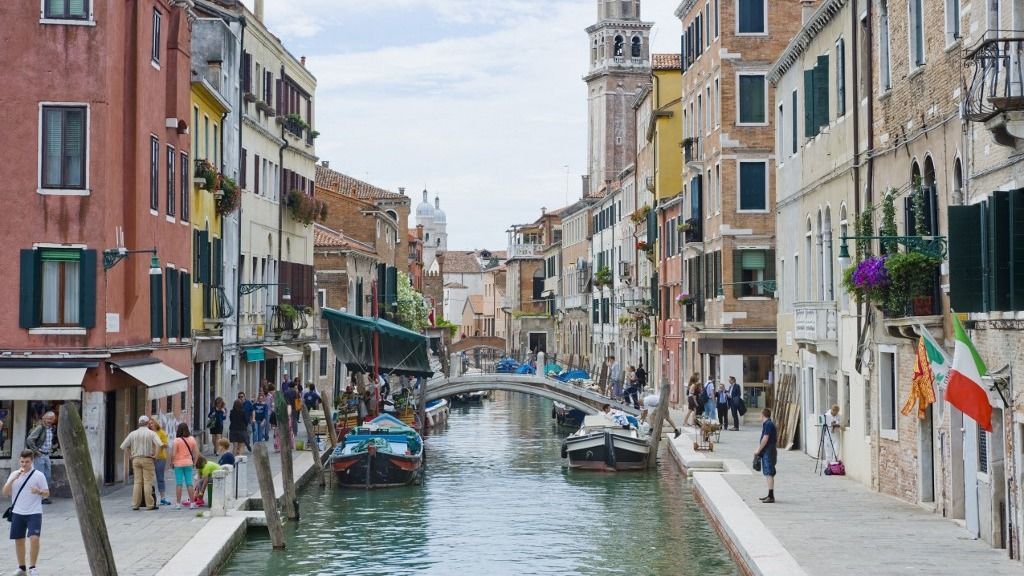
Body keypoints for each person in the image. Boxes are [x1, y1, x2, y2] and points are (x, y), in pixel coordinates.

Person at [4, 449, 49, 576]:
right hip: (17, 512)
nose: (24, 464)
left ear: (32, 461)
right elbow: (5, 492)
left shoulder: (39, 475)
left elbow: (47, 493)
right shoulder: (14, 474)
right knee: (19, 540)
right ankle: (21, 568)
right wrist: (13, 480)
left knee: (34, 539)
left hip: (34, 512)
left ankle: (33, 567)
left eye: (27, 462)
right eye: (22, 461)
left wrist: (38, 491)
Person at [120, 415, 162, 510]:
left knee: (137, 482)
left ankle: (135, 504)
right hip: (147, 459)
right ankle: (150, 504)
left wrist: (130, 455)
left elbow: (124, 446)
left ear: (139, 423)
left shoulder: (132, 434)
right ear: (147, 423)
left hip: (136, 459)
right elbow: (159, 444)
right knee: (148, 482)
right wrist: (155, 455)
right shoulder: (151, 433)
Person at [24, 412, 56, 505]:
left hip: (46, 455)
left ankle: (44, 497)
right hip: (40, 455)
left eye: (52, 419)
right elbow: (30, 439)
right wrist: (36, 451)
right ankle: (38, 497)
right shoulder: (40, 428)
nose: (50, 421)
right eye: (48, 419)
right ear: (43, 418)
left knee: (47, 476)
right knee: (39, 476)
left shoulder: (50, 429)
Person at [172, 423, 198, 510]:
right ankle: (192, 503)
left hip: (178, 464)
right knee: (189, 483)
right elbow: (197, 453)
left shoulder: (177, 440)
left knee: (179, 483)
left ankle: (178, 504)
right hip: (189, 463)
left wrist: (172, 462)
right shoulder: (192, 439)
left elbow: (173, 454)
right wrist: (194, 462)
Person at [754, 408, 778, 503]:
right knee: (768, 472)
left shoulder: (768, 424)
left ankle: (771, 496)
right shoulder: (767, 424)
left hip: (768, 450)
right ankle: (769, 494)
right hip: (768, 450)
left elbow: (765, 438)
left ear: (763, 415)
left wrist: (758, 450)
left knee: (769, 472)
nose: (759, 417)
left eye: (760, 415)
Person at [149, 418, 172, 506]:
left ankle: (163, 498)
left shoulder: (161, 432)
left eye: (152, 423)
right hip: (150, 458)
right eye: (149, 424)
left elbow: (166, 444)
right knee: (149, 479)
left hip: (160, 458)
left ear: (155, 423)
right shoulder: (148, 433)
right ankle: (149, 498)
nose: (151, 425)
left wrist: (160, 444)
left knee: (160, 478)